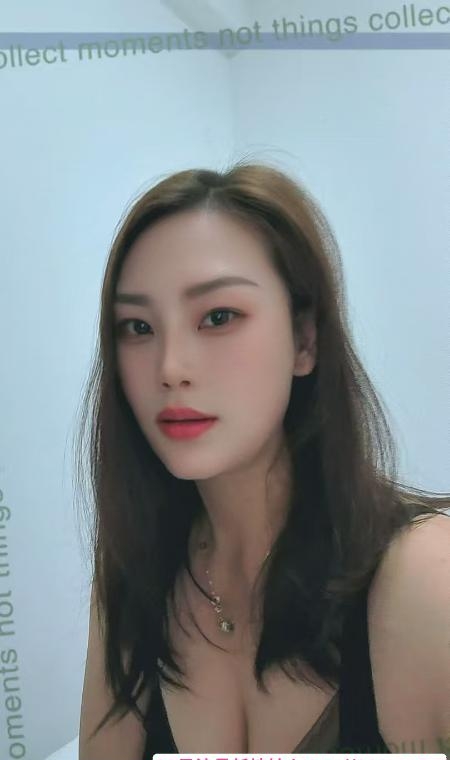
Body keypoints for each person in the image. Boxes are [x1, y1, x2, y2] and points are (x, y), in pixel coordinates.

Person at [77, 161, 450, 759]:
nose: (170, 367)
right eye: (138, 326)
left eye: (218, 317)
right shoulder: (133, 570)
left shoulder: (421, 577)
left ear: (304, 340)